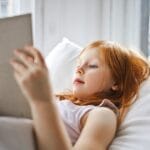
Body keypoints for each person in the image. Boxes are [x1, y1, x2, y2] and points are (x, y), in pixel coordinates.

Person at [10, 40, 150, 150]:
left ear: (116, 83)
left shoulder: (102, 115)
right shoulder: (60, 101)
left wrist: (42, 101)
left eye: (93, 66)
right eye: (78, 64)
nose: (79, 69)